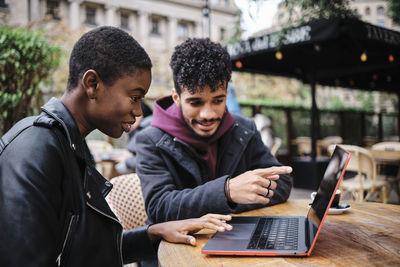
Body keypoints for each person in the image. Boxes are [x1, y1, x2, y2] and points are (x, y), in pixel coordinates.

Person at [0, 27, 232, 267]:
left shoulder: (69, 144)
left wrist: (152, 233)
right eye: (134, 97)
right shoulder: (34, 149)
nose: (139, 111)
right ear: (92, 84)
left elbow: (80, 250)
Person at [134, 38, 293, 225]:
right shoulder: (149, 140)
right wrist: (227, 192)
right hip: (176, 249)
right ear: (176, 98)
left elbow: (282, 183)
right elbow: (159, 208)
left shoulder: (244, 129)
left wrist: (232, 199)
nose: (208, 114)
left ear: (227, 94)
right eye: (196, 102)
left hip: (236, 237)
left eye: (218, 101)